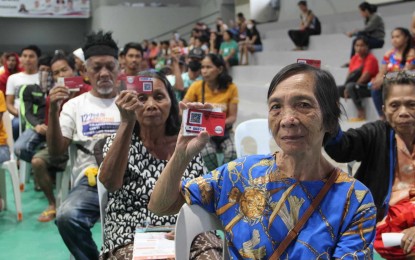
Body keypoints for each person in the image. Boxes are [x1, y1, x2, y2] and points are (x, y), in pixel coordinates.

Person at [149, 63, 376, 259]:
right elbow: (160, 206)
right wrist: (181, 154)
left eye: (303, 105)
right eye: (276, 107)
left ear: (330, 120)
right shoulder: (242, 173)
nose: (287, 119)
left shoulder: (353, 200)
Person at [98, 70, 220, 259]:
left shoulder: (190, 142)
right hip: (130, 233)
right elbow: (110, 183)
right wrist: (126, 122)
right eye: (141, 98)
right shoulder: (119, 141)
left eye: (159, 97)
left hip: (188, 229)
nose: (151, 105)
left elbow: (209, 192)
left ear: (172, 102)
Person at [325, 70, 415, 259]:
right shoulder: (376, 133)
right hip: (381, 226)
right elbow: (341, 147)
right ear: (384, 110)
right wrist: (329, 113)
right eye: (395, 105)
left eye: (411, 104)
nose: (404, 112)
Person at [47, 31, 121, 260]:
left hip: (131, 179)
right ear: (85, 72)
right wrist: (52, 109)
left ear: (119, 69)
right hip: (91, 181)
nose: (104, 73)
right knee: (67, 217)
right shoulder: (74, 105)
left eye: (110, 66)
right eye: (97, 68)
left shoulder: (132, 100)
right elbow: (56, 151)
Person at [33, 52, 90, 222]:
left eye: (64, 70)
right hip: (62, 146)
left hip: (85, 147)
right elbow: (52, 130)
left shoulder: (89, 92)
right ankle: (52, 204)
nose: (61, 75)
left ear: (75, 70)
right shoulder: (54, 97)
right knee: (37, 162)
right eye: (56, 73)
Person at [182, 53, 238, 171]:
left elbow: (232, 117)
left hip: (224, 131)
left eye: (208, 67)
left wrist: (215, 126)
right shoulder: (196, 86)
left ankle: (224, 180)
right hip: (203, 133)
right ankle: (213, 180)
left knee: (232, 153)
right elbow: (183, 108)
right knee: (207, 154)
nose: (204, 71)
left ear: (220, 69)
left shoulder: (231, 88)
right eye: (202, 67)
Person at [369, 27, 415, 119]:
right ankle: (383, 117)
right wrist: (377, 80)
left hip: (407, 81)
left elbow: (405, 73)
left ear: (406, 38)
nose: (394, 39)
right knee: (375, 87)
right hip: (389, 81)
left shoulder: (412, 53)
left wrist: (385, 78)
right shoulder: (389, 54)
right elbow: (382, 71)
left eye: (397, 36)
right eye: (393, 37)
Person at [6, 45, 42, 140]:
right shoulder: (13, 78)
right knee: (17, 124)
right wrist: (21, 115)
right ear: (20, 58)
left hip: (39, 116)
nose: (27, 59)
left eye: (31, 56)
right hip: (19, 116)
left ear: (38, 59)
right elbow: (9, 104)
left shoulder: (43, 78)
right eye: (24, 56)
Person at [338, 36, 379, 121]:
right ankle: (336, 113)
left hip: (367, 87)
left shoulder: (371, 59)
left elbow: (365, 76)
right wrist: (345, 87)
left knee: (351, 86)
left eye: (362, 45)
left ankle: (361, 112)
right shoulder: (354, 58)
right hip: (353, 87)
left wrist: (348, 87)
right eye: (357, 45)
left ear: (367, 46)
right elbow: (349, 75)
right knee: (337, 89)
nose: (359, 48)